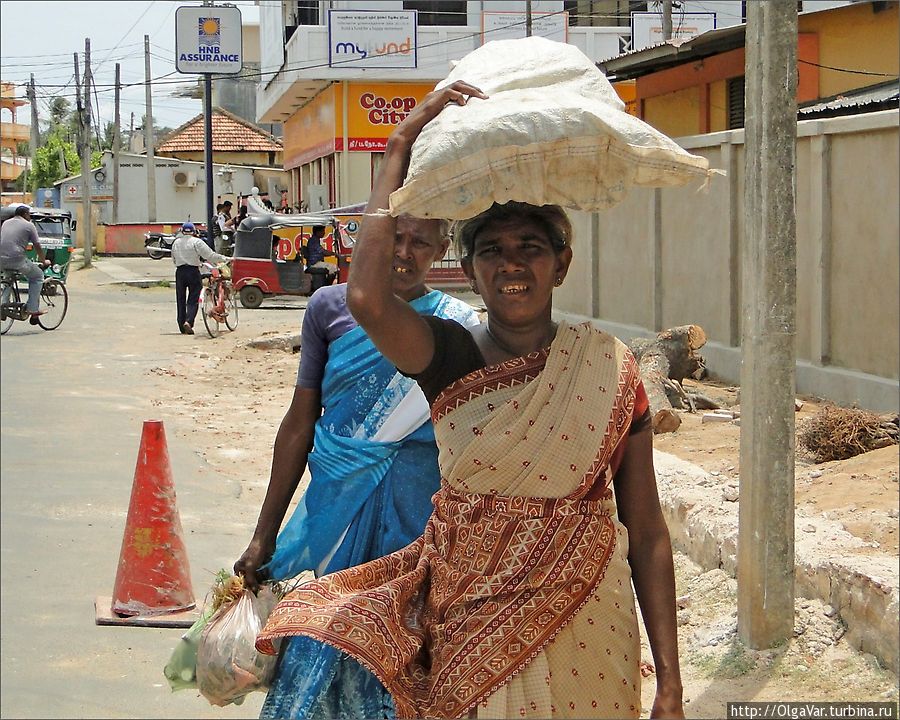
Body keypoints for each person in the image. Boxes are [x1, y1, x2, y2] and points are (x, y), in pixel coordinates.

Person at [256, 82, 685, 719]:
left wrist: (671, 686)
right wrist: (398, 145)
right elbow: (369, 299)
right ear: (471, 268)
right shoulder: (449, 354)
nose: (512, 265)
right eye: (492, 251)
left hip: (586, 621)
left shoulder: (606, 369)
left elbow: (647, 532)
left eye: (530, 249)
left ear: (561, 264)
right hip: (470, 619)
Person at [233, 215, 480, 718]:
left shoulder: (461, 326)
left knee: (403, 663)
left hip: (419, 523)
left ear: (443, 248)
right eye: (394, 238)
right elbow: (301, 421)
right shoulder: (329, 307)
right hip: (334, 520)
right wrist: (265, 533)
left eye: (420, 243)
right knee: (322, 639)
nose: (404, 254)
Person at [171, 221, 230, 335]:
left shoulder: (176, 243)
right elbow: (210, 255)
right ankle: (189, 321)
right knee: (194, 298)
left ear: (182, 231)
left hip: (180, 272)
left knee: (180, 299)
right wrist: (224, 258)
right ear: (193, 232)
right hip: (193, 271)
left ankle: (181, 324)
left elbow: (173, 259)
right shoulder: (197, 242)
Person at [0, 204, 50, 324]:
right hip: (17, 259)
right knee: (37, 276)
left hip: (1, 259)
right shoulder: (29, 225)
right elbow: (37, 245)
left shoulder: (6, 223)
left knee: (8, 278)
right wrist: (44, 261)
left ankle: (3, 305)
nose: (30, 217)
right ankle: (33, 310)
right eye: (29, 215)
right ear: (25, 214)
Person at [301, 225, 337, 293]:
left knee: (332, 268)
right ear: (317, 232)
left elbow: (321, 253)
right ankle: (327, 286)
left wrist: (332, 254)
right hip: (314, 263)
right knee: (334, 268)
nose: (324, 233)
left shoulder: (316, 240)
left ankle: (326, 285)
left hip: (316, 262)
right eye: (322, 231)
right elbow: (323, 252)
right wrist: (335, 254)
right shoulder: (313, 240)